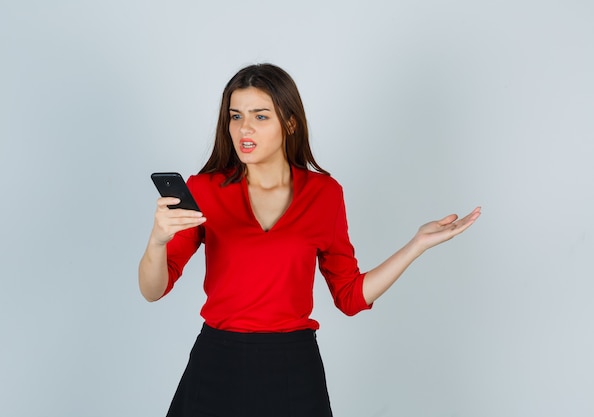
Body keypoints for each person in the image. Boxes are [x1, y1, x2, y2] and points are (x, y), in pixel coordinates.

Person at [138, 63, 481, 417]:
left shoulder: (325, 194)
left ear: (289, 123)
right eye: (236, 116)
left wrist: (416, 246)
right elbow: (152, 290)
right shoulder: (204, 189)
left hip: (293, 367)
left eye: (260, 116)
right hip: (217, 361)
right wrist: (157, 241)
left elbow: (349, 296)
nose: (244, 129)